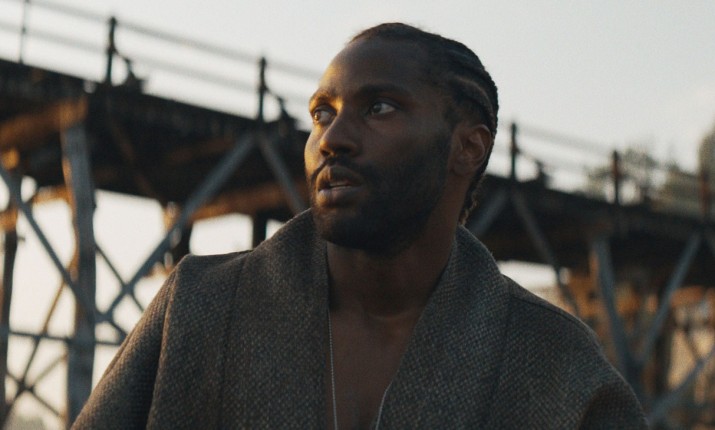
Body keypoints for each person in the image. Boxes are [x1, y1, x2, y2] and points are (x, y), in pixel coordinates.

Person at [73, 23, 647, 429]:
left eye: (379, 108)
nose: (333, 138)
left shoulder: (554, 362)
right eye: (322, 113)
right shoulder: (197, 308)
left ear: (467, 148)